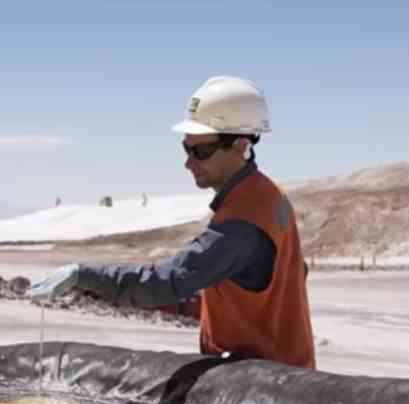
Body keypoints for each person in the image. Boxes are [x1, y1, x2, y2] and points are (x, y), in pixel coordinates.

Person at [29, 76, 315, 368]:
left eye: (201, 151)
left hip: (266, 386)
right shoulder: (267, 195)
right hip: (281, 373)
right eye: (186, 148)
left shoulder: (244, 218)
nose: (188, 162)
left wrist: (83, 275)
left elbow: (170, 280)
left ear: (241, 145)